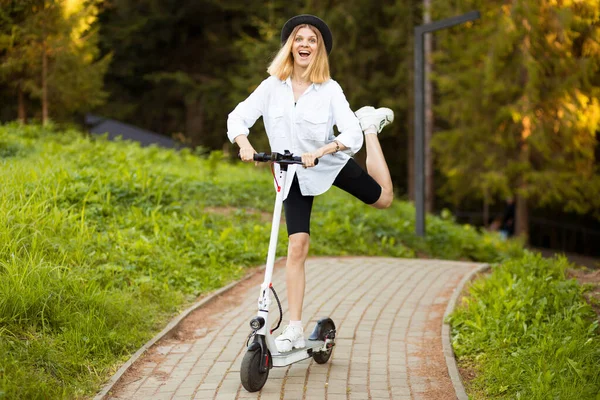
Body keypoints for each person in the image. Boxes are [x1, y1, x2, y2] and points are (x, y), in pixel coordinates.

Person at [227, 14, 395, 353]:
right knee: (297, 245)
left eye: (312, 40)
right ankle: (294, 329)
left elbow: (347, 134)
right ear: (290, 45)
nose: (305, 44)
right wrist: (244, 144)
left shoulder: (330, 90)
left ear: (318, 50)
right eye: (299, 38)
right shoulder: (272, 86)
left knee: (383, 200)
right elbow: (238, 117)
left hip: (328, 164)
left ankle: (372, 125)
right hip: (290, 172)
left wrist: (326, 148)